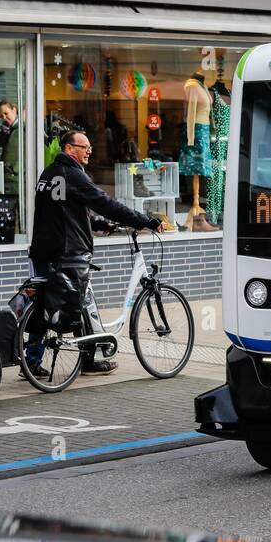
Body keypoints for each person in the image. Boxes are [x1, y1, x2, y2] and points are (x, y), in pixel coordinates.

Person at [30, 129, 161, 374]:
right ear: (70, 149)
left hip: (43, 250)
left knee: (43, 303)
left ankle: (32, 360)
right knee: (77, 303)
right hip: (68, 252)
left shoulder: (48, 173)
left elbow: (65, 212)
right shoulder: (74, 174)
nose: (89, 151)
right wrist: (143, 220)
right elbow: (105, 203)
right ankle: (89, 359)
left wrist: (99, 225)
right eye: (85, 147)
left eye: (89, 147)